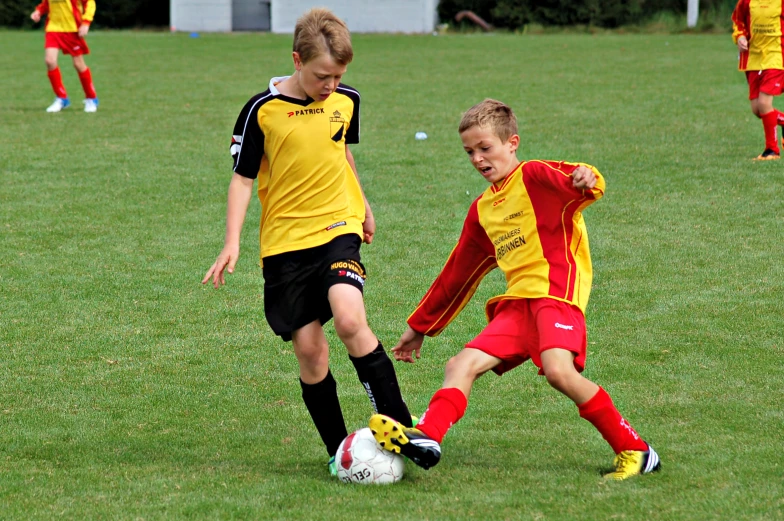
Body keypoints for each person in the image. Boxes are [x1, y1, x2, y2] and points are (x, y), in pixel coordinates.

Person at [369, 99, 661, 481]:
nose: (477, 158)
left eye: (485, 148)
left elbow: (578, 177)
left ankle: (637, 450)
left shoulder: (535, 176)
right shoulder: (482, 210)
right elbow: (457, 274)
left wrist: (588, 178)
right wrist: (420, 326)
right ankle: (428, 436)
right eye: (469, 151)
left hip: (556, 295)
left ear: (512, 143)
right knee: (460, 365)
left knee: (558, 372)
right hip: (519, 306)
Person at [202, 7, 413, 477]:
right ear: (296, 59)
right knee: (311, 352)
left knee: (350, 319)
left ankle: (403, 427)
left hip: (338, 228)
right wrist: (231, 241)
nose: (331, 86)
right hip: (285, 245)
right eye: (322, 75)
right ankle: (341, 452)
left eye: (338, 76)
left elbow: (341, 155)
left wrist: (364, 206)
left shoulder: (347, 100)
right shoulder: (263, 110)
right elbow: (241, 180)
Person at [732, 0, 784, 160]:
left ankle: (772, 150)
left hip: (776, 57)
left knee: (764, 104)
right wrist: (740, 37)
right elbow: (738, 20)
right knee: (757, 109)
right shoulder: (746, 2)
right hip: (753, 59)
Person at [30, 0, 99, 113]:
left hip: (72, 29)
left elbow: (90, 3)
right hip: (53, 28)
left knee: (78, 64)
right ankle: (61, 98)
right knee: (49, 61)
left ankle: (91, 98)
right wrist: (38, 11)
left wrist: (86, 22)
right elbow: (46, 3)